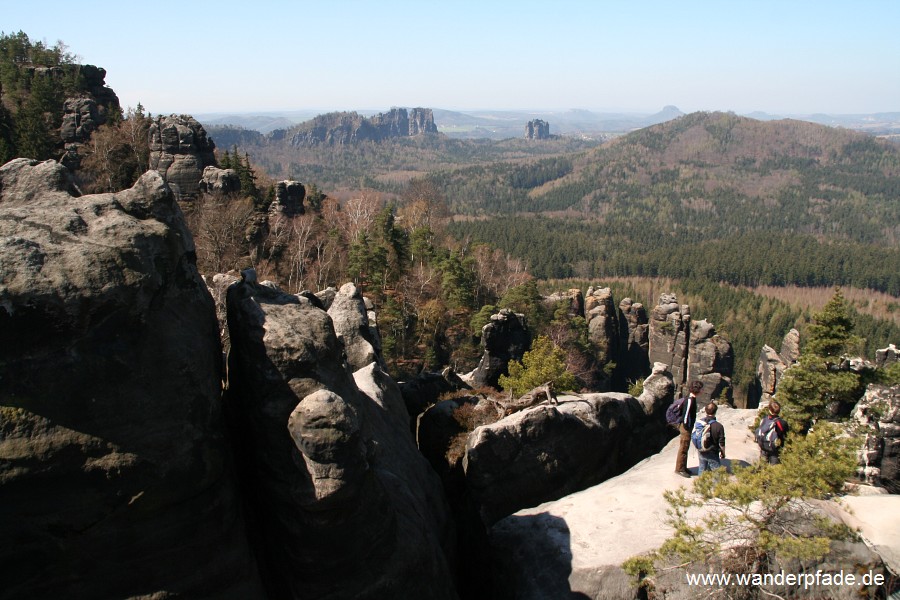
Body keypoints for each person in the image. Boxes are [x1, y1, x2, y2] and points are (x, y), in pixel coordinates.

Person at [675, 381, 703, 478]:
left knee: (685, 448)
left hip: (686, 426)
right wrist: (687, 427)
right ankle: (679, 469)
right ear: (697, 390)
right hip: (686, 427)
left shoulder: (691, 398)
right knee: (683, 448)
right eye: (701, 389)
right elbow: (686, 415)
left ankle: (683, 467)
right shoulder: (690, 400)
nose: (702, 390)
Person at [696, 402, 726, 474]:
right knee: (717, 473)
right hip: (712, 451)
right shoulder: (718, 426)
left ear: (705, 411)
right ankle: (716, 485)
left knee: (702, 468)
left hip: (701, 450)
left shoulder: (699, 423)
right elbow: (721, 442)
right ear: (715, 412)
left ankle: (700, 483)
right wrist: (723, 453)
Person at [757, 400, 788, 465]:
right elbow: (785, 435)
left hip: (763, 446)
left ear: (769, 410)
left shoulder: (764, 419)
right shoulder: (782, 422)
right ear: (779, 411)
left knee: (762, 466)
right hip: (775, 448)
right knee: (774, 469)